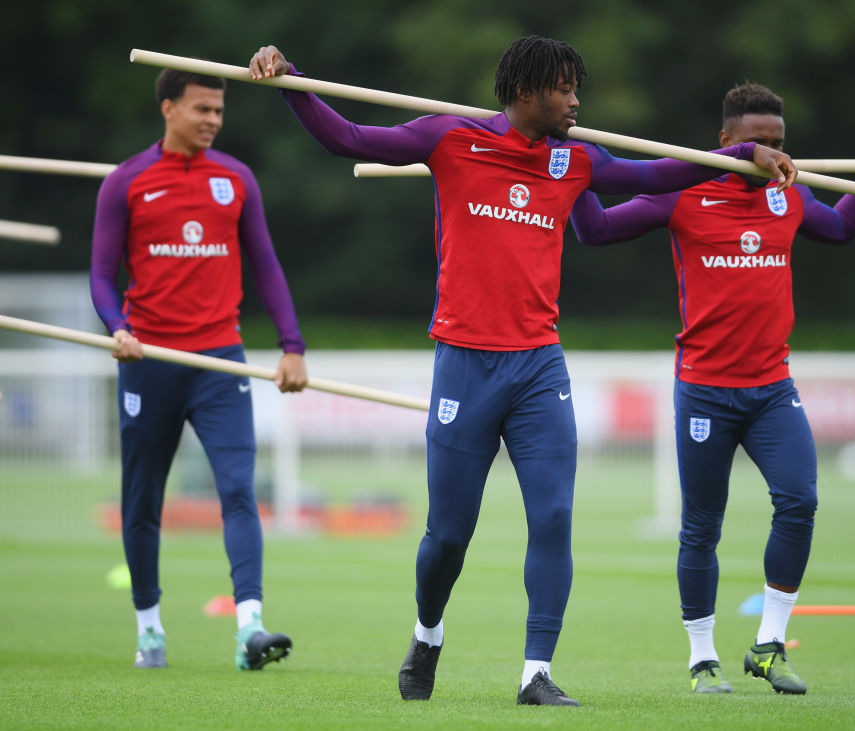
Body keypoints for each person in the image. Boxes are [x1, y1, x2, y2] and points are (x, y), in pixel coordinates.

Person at [249, 37, 797, 706]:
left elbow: (659, 175)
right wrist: (291, 80)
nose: (576, 100)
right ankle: (427, 633)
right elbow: (346, 137)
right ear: (527, 91)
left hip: (539, 366)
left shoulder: (577, 159)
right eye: (565, 89)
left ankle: (535, 671)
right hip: (464, 363)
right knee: (447, 534)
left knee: (554, 514)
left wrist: (741, 156)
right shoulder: (449, 138)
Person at [570, 82, 855, 694]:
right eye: (758, 143)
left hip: (770, 390)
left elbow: (840, 230)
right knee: (701, 528)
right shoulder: (682, 194)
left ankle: (768, 646)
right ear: (726, 143)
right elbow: (595, 231)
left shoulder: (789, 197)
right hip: (704, 391)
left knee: (800, 501)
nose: (772, 153)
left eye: (779, 143)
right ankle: (702, 658)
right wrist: (571, 178)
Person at [90, 69, 309, 671]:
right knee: (142, 500)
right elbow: (102, 278)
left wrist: (292, 345)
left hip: (220, 359)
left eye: (219, 110)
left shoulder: (235, 178)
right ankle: (149, 629)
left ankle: (249, 629)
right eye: (202, 109)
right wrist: (118, 329)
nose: (213, 119)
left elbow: (265, 266)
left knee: (238, 489)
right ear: (168, 108)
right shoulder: (126, 182)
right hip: (150, 361)